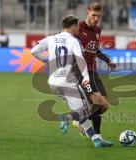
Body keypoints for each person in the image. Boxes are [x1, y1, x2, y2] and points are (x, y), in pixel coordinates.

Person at [31, 15, 113, 147]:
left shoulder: (51, 38)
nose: (78, 29)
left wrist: (46, 61)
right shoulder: (73, 41)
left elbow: (34, 51)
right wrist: (86, 78)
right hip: (68, 82)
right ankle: (66, 118)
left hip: (53, 83)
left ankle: (96, 140)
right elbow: (81, 60)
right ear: (74, 26)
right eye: (77, 27)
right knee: (91, 107)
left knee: (80, 112)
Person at [73, 0, 116, 143]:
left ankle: (81, 119)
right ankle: (97, 137)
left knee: (105, 105)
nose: (96, 18)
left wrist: (106, 59)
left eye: (99, 16)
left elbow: (94, 48)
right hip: (81, 72)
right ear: (87, 12)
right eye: (94, 15)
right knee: (97, 102)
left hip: (93, 71)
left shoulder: (98, 30)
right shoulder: (78, 28)